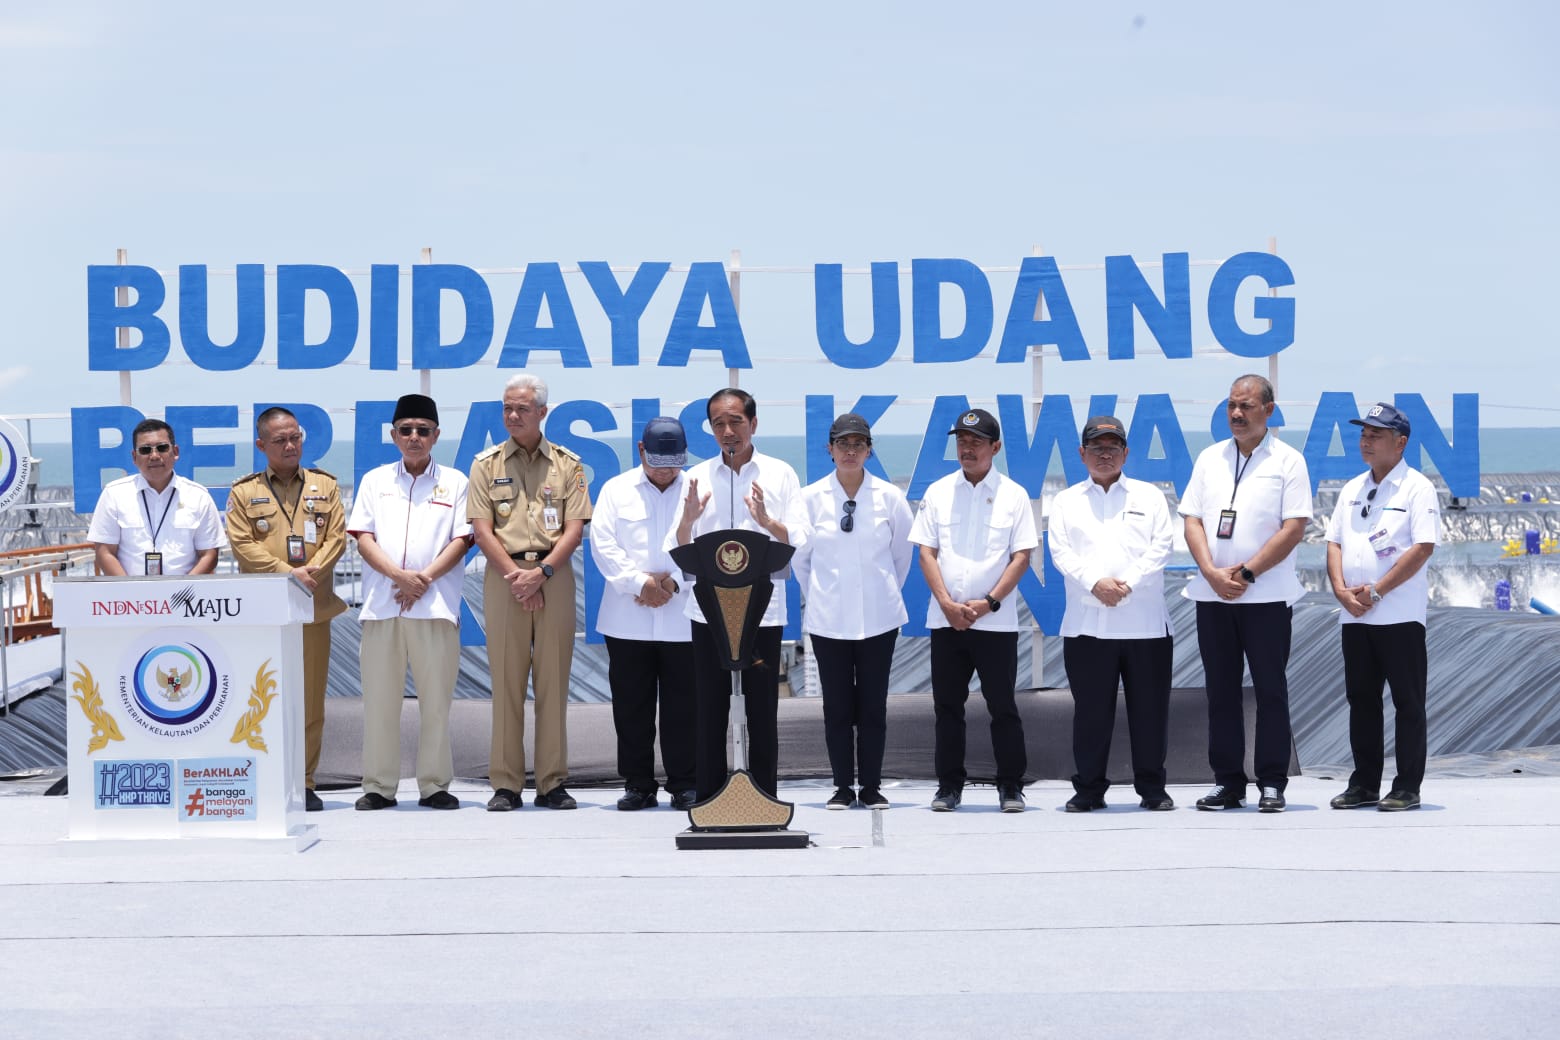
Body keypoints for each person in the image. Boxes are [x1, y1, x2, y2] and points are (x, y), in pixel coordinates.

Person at [666, 388, 807, 801]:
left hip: (761, 613)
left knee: (763, 711)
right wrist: (688, 520)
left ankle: (764, 798)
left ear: (754, 424)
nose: (728, 432)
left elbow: (798, 538)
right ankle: (709, 800)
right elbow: (676, 543)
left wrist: (767, 520)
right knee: (709, 709)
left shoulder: (780, 474)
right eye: (719, 424)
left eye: (736, 422)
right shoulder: (695, 477)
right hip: (708, 612)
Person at [1180, 374, 1312, 813]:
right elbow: (1193, 520)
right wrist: (1212, 573)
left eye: (1246, 406)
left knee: (1271, 691)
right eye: (1231, 406)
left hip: (1267, 598)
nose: (1236, 414)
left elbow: (1294, 527)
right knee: (1221, 691)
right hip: (1213, 595)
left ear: (1268, 411)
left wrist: (1249, 572)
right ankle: (1228, 782)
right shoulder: (1209, 458)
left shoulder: (1288, 461)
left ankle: (1272, 782)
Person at [469, 374, 592, 812]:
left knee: (553, 682)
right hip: (505, 578)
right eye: (506, 408)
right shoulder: (486, 464)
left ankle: (552, 782)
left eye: (522, 408)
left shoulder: (567, 464)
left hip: (552, 575)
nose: (513, 416)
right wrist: (518, 578)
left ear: (542, 412)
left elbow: (575, 528)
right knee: (506, 682)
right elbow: (482, 531)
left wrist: (539, 573)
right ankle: (506, 783)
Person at [347, 394, 473, 812]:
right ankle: (379, 786)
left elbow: (462, 539)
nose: (414, 437)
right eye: (406, 430)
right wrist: (400, 578)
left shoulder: (455, 482)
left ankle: (434, 784)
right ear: (393, 435)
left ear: (437, 434)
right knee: (380, 701)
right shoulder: (375, 480)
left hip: (435, 606)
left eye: (423, 430)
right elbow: (364, 538)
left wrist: (424, 580)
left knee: (436, 701)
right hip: (384, 605)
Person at [908, 408, 1038, 813]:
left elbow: (1021, 557)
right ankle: (949, 786)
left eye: (976, 441)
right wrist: (947, 604)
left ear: (995, 447)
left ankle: (1011, 785)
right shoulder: (938, 491)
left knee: (1003, 706)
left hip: (995, 622)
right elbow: (926, 553)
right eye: (962, 441)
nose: (967, 448)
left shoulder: (1014, 495)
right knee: (947, 707)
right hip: (946, 621)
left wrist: (989, 603)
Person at [1047, 416, 1176, 812]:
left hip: (1145, 624)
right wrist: (1095, 583)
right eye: (1097, 447)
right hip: (1087, 625)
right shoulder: (1066, 501)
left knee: (1149, 712)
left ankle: (1152, 789)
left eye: (1113, 447)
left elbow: (1163, 546)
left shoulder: (1149, 496)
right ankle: (1088, 789)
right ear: (1082, 453)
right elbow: (1060, 552)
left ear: (1126, 453)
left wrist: (1127, 583)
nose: (1105, 454)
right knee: (1090, 713)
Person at [226, 408, 347, 813]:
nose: (290, 445)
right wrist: (287, 572)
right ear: (261, 445)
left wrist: (308, 573)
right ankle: (264, 775)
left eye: (295, 437)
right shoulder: (244, 492)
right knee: (260, 694)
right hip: (264, 611)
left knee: (309, 699)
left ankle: (304, 780)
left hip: (312, 606)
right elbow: (243, 544)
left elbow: (337, 538)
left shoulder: (324, 486)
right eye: (280, 440)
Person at [792, 413, 914, 810]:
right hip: (829, 619)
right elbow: (802, 561)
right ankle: (843, 787)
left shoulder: (889, 497)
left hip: (878, 617)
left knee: (873, 707)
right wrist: (828, 595)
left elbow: (901, 557)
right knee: (838, 708)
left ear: (869, 449)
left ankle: (873, 786)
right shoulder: (810, 498)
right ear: (829, 450)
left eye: (858, 444)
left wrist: (877, 591)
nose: (850, 451)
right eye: (842, 444)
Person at [1324, 402, 1439, 812]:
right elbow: (1334, 541)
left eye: (1375, 434)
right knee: (1362, 699)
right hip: (1354, 615)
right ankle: (1365, 783)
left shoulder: (1416, 488)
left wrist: (1377, 591)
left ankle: (1407, 785)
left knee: (1407, 702)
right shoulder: (1353, 487)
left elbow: (1422, 547)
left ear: (1400, 442)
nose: (1366, 441)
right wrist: (1339, 589)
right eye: (1363, 434)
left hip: (1397, 614)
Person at [588, 417, 698, 811]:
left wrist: (671, 584)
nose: (667, 469)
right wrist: (641, 584)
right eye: (657, 460)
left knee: (683, 705)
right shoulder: (616, 490)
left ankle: (685, 782)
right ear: (640, 451)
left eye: (674, 461)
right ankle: (638, 783)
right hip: (627, 616)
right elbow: (604, 545)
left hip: (683, 614)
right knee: (631, 704)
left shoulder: (698, 489)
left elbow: (707, 545)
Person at [89, 418, 225, 578]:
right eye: (145, 450)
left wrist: (179, 591)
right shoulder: (114, 494)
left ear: (175, 452)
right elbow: (105, 552)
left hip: (185, 598)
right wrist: (131, 593)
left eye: (162, 448)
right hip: (130, 599)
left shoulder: (199, 496)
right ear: (134, 457)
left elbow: (209, 554)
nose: (154, 456)